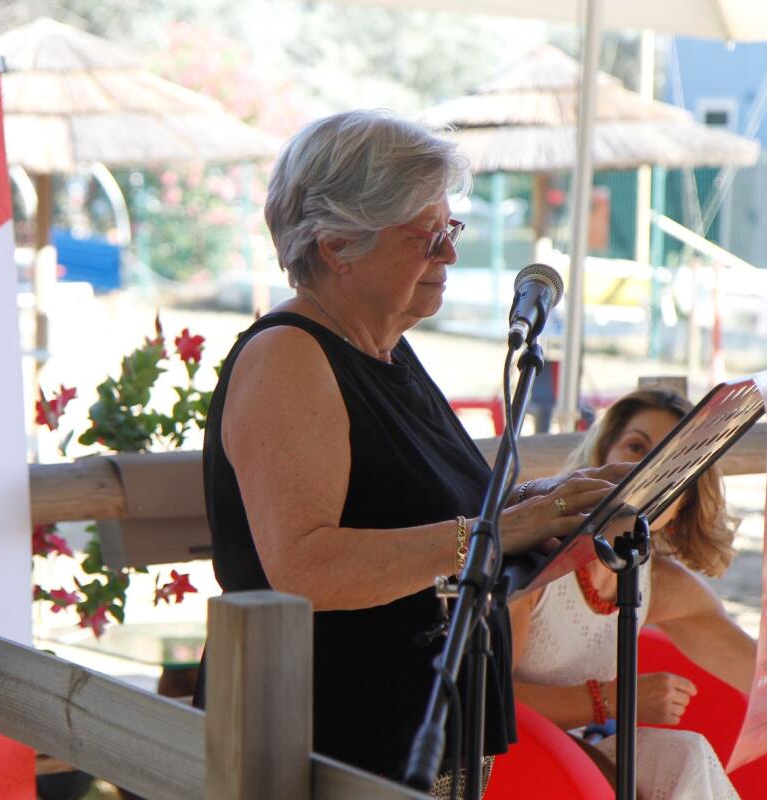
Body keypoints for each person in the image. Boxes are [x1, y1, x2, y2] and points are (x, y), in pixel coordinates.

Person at [198, 109, 628, 796]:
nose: (449, 254)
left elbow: (426, 515)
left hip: (419, 730)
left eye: (449, 230)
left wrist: (547, 504)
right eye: (427, 235)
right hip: (324, 745)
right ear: (339, 244)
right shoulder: (289, 357)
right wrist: (498, 529)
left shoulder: (385, 347)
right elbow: (303, 567)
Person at [509, 387, 767, 799]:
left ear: (681, 506)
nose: (647, 470)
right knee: (677, 759)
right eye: (635, 447)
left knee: (686, 756)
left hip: (572, 767)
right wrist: (611, 700)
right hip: (506, 762)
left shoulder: (660, 585)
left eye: (672, 463)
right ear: (600, 460)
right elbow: (488, 700)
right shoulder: (538, 562)